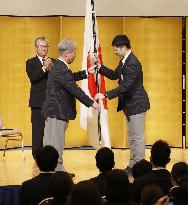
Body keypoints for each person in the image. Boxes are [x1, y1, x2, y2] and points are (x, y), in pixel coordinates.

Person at [94, 35, 150, 174]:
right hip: (130, 105)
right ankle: (133, 165)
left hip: (137, 105)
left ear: (124, 47)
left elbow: (125, 86)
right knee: (132, 137)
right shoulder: (125, 61)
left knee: (137, 138)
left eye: (116, 49)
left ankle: (139, 168)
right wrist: (100, 67)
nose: (115, 52)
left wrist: (105, 95)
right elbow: (114, 75)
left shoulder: (133, 63)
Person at [42, 39, 99, 175]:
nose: (75, 55)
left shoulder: (59, 66)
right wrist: (91, 102)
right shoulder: (61, 68)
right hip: (57, 111)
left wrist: (87, 72)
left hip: (53, 111)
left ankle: (50, 171)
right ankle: (58, 172)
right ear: (67, 53)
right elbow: (73, 88)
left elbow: (69, 78)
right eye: (74, 53)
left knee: (51, 144)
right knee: (56, 144)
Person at [26, 36, 54, 157]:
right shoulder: (30, 62)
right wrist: (44, 68)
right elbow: (33, 78)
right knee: (38, 131)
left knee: (52, 132)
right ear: (36, 48)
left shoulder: (54, 61)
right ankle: (37, 156)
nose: (44, 49)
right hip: (38, 103)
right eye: (42, 46)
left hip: (53, 102)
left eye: (46, 46)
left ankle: (51, 156)